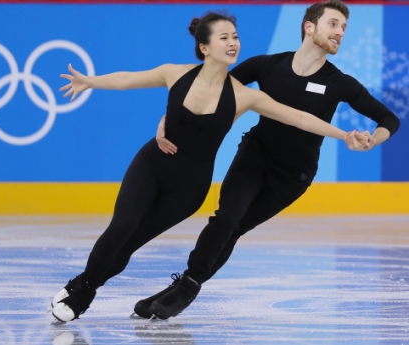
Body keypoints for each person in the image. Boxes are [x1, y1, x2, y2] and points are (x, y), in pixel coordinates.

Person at [51, 9, 371, 323]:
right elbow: (126, 79)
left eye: (235, 36)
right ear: (205, 48)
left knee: (131, 242)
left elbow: (300, 118)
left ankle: (80, 284)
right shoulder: (174, 73)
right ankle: (82, 295)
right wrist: (89, 81)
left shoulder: (244, 96)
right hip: (153, 162)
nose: (233, 42)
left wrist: (344, 134)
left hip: (189, 186)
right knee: (120, 229)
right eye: (224, 37)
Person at [136, 0, 401, 321]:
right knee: (225, 219)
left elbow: (388, 118)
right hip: (254, 157)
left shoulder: (340, 83)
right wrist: (170, 116)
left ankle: (182, 287)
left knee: (233, 231)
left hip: (292, 177)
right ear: (309, 27)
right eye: (333, 24)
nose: (340, 32)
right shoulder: (266, 66)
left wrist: (374, 139)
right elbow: (210, 87)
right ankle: (187, 287)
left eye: (344, 27)